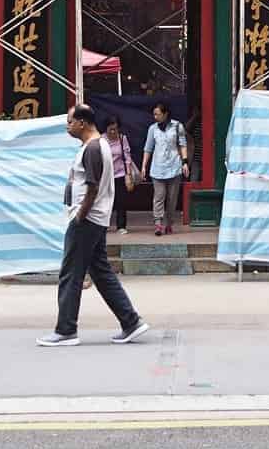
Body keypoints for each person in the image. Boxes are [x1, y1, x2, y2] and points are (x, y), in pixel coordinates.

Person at [38, 104, 149, 348]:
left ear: (83, 123)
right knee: (101, 272)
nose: (68, 126)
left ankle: (66, 329)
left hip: (87, 220)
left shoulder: (93, 149)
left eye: (70, 122)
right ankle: (130, 321)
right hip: (94, 219)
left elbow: (92, 187)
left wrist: (80, 215)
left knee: (70, 273)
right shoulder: (96, 147)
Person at [140, 101, 189, 237]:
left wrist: (185, 162)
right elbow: (148, 148)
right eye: (154, 114)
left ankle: (169, 223)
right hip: (158, 168)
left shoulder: (177, 126)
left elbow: (183, 145)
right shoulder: (152, 129)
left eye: (158, 114)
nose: (155, 117)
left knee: (172, 199)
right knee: (159, 197)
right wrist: (144, 166)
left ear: (165, 114)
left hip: (174, 167)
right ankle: (158, 224)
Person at [105, 116, 135, 234]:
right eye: (110, 129)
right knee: (105, 201)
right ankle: (104, 225)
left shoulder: (123, 139)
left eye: (115, 129)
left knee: (121, 201)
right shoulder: (101, 140)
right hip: (106, 176)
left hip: (120, 174)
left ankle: (121, 226)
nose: (113, 132)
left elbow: (127, 158)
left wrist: (128, 174)